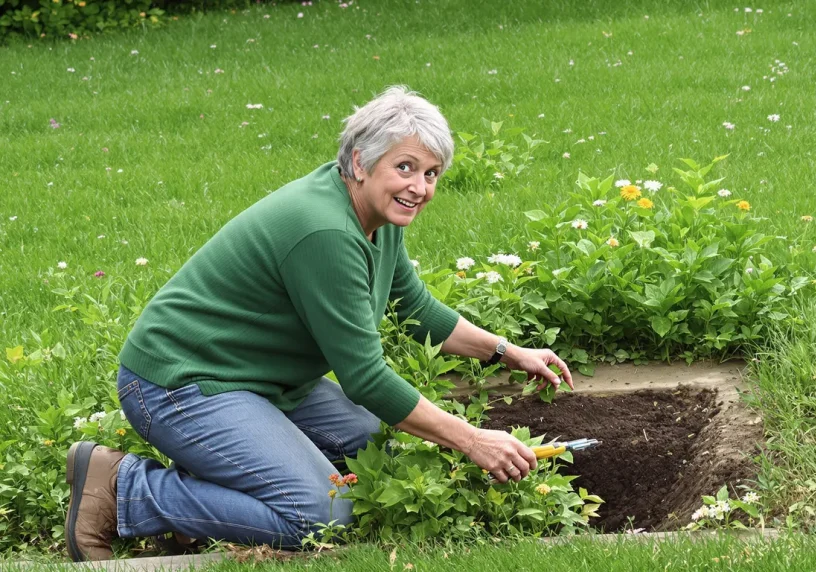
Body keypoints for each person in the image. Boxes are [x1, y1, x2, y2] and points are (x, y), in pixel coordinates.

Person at [63, 86, 574, 562]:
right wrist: (472, 439)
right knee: (323, 515)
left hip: (261, 382)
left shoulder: (375, 215)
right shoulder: (325, 230)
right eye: (406, 167)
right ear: (359, 162)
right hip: (182, 385)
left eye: (432, 173)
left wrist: (509, 352)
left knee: (373, 454)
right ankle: (126, 488)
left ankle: (209, 489)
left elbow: (417, 307)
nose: (419, 187)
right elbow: (366, 378)